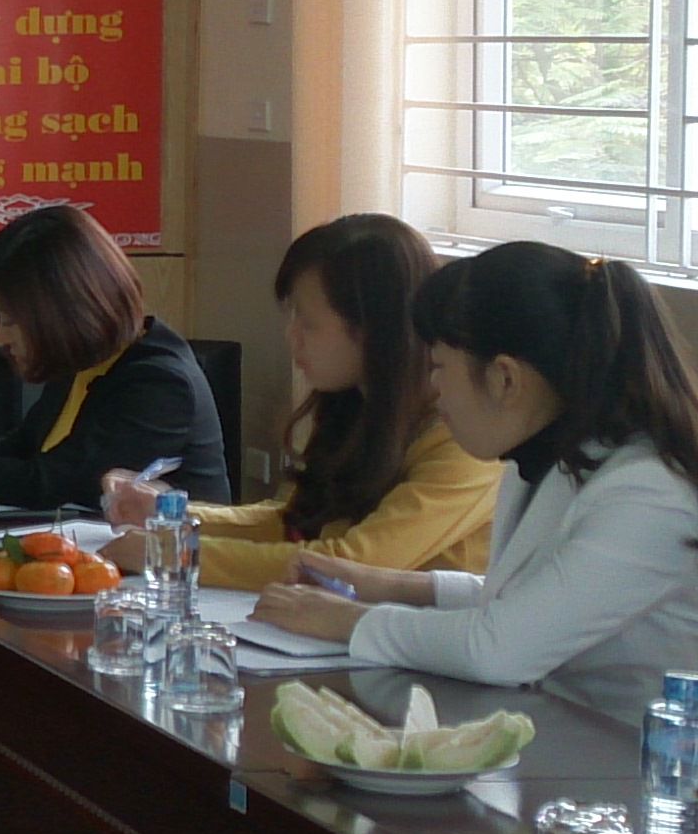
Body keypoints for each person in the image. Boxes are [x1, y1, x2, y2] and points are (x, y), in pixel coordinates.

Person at [258, 243, 698, 692]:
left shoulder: (651, 491)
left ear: (505, 378)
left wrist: (348, 620)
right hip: (585, 742)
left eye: (439, 368)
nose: (433, 389)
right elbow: (526, 601)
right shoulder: (556, 457)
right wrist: (390, 585)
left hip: (675, 760)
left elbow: (500, 647)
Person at [99, 214, 494, 590]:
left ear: (373, 330)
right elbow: (295, 521)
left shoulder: (466, 439)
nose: (292, 336)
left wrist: (175, 552)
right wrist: (172, 513)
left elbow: (352, 563)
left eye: (308, 323)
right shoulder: (354, 405)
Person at [0, 203, 232, 511]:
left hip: (165, 549)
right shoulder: (86, 364)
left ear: (62, 311)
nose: (3, 336)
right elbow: (17, 452)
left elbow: (50, 486)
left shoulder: (160, 383)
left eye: (10, 319)